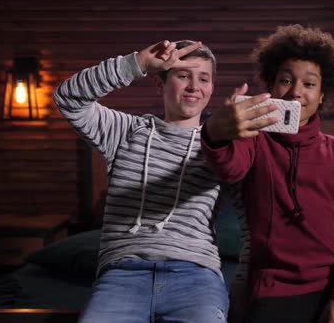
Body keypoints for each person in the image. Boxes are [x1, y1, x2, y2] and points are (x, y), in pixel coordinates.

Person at [201, 24, 334, 323]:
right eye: (285, 80)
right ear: (270, 86)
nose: (295, 92)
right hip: (274, 289)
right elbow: (229, 166)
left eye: (309, 84)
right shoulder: (253, 140)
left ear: (321, 96)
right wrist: (218, 133)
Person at [53, 40, 231, 323]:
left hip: (195, 276)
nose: (194, 86)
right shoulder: (127, 132)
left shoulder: (222, 146)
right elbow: (68, 98)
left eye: (204, 78)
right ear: (160, 85)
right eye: (183, 75)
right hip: (123, 274)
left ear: (211, 89)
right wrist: (136, 64)